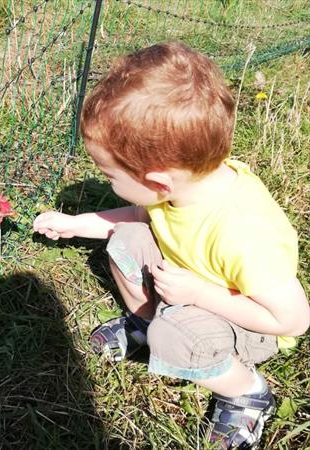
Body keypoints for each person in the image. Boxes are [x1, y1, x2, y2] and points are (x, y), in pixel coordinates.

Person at [33, 42, 309, 449]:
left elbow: (293, 322)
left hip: (251, 325)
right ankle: (146, 323)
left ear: (159, 181)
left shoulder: (244, 233)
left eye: (110, 176)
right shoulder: (179, 191)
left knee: (176, 332)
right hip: (187, 287)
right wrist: (76, 224)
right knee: (126, 240)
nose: (108, 184)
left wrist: (200, 295)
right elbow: (138, 217)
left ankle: (246, 392)